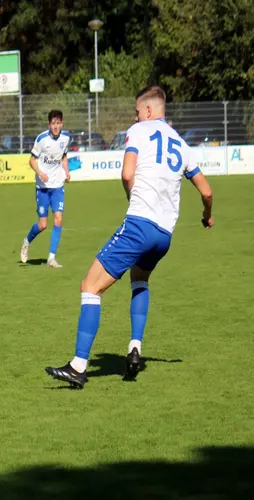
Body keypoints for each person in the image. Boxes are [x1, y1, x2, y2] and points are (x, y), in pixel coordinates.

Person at [45, 86, 214, 389]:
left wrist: (131, 196)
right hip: (164, 235)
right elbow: (207, 191)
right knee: (140, 279)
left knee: (90, 287)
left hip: (139, 225)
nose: (135, 116)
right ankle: (135, 347)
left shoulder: (139, 130)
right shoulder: (181, 143)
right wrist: (207, 215)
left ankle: (79, 366)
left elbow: (127, 174)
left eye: (137, 111)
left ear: (148, 110)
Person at [20, 110, 71, 268]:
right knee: (42, 225)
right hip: (42, 188)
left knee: (59, 219)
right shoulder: (42, 139)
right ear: (49, 125)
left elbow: (63, 156)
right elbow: (31, 161)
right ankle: (27, 241)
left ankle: (51, 258)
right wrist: (40, 173)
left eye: (58, 123)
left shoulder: (66, 138)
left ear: (61, 124)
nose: (56, 126)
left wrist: (67, 171)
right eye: (53, 124)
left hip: (57, 186)